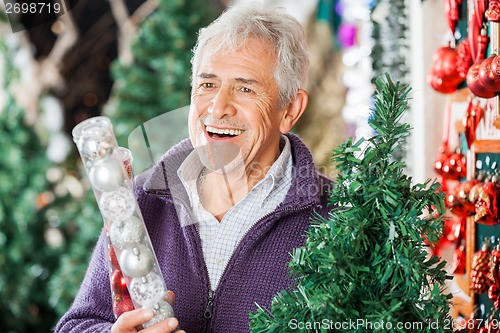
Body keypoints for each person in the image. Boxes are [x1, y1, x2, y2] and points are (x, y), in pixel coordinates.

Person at [55, 3, 333, 333]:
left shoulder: (338, 217)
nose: (218, 107)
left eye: (245, 88)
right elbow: (77, 325)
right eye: (207, 84)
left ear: (289, 110)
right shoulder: (140, 201)